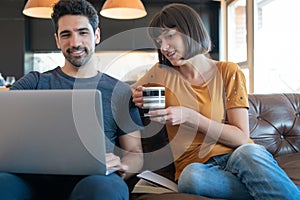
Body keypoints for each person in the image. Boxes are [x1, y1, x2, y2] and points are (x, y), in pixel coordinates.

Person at [132, 3, 300, 200]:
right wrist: (134, 95)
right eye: (159, 41)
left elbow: (241, 138)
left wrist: (190, 117)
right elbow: (120, 93)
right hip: (198, 168)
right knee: (190, 179)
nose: (164, 47)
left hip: (238, 156)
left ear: (190, 30)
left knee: (248, 152)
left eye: (169, 36)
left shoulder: (228, 71)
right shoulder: (161, 73)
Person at [0, 0, 143, 199]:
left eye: (83, 32)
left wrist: (122, 166)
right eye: (66, 34)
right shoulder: (34, 82)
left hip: (94, 180)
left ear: (97, 35)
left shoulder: (119, 91)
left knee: (104, 190)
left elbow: (135, 152)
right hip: (33, 179)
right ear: (57, 40)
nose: (75, 43)